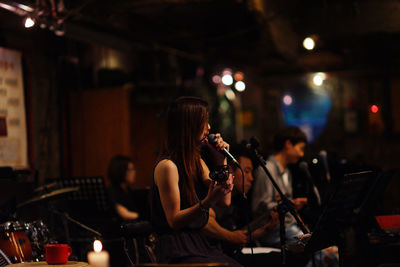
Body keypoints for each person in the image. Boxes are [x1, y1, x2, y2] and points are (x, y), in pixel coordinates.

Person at [150, 96, 240, 266]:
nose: (209, 128)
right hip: (177, 247)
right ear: (189, 126)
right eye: (204, 122)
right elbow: (174, 220)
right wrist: (207, 202)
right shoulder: (167, 166)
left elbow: (225, 201)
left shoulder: (198, 162)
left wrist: (221, 161)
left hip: (199, 243)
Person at [203, 144, 280, 267]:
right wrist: (231, 236)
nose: (251, 178)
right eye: (247, 171)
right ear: (230, 170)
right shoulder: (214, 196)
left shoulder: (235, 204)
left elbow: (236, 237)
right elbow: (205, 223)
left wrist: (266, 228)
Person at [251, 126, 308, 247]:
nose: (302, 154)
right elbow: (259, 207)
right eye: (300, 148)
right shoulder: (266, 170)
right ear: (288, 144)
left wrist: (293, 205)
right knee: (319, 251)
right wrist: (289, 204)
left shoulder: (287, 171)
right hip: (274, 231)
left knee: (322, 248)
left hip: (289, 227)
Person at [107, 155, 140, 221]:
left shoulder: (129, 190)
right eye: (131, 169)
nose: (134, 172)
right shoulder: (112, 191)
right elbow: (125, 215)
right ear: (121, 171)